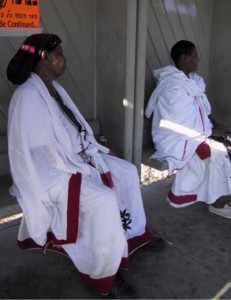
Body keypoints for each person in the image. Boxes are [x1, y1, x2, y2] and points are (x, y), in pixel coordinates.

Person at [7, 33, 165, 298]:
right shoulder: (27, 97)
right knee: (102, 199)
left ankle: (135, 236)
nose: (64, 59)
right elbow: (40, 154)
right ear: (45, 57)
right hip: (53, 175)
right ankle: (106, 273)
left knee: (126, 172)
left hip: (79, 160)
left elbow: (75, 130)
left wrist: (90, 154)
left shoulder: (55, 89)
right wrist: (80, 165)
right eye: (59, 53)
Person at [145, 40, 231, 219]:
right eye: (195, 56)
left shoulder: (192, 82)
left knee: (226, 144)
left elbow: (202, 112)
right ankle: (217, 203)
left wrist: (217, 126)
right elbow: (180, 124)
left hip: (194, 134)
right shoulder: (173, 86)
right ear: (184, 58)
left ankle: (217, 196)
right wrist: (214, 133)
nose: (198, 60)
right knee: (218, 153)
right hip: (174, 138)